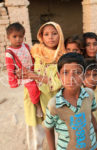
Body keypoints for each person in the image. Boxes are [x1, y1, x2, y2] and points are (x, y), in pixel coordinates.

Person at [43, 53, 97, 150]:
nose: (71, 78)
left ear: (84, 75)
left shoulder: (89, 94)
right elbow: (48, 129)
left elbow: (91, 117)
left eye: (77, 72)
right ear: (59, 76)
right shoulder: (54, 104)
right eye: (65, 73)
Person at [16, 21, 65, 150]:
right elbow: (24, 68)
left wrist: (33, 75)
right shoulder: (35, 52)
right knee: (35, 130)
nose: (50, 37)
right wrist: (20, 73)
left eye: (54, 33)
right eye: (46, 34)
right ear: (41, 36)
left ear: (60, 35)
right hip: (35, 98)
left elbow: (57, 82)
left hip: (54, 98)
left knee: (58, 131)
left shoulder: (63, 57)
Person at [5, 22, 43, 118]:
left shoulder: (26, 46)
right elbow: (10, 68)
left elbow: (33, 55)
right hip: (24, 75)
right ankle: (38, 106)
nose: (18, 39)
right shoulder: (9, 52)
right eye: (15, 36)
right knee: (33, 89)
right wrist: (13, 82)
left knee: (43, 85)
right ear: (8, 37)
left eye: (21, 36)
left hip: (35, 69)